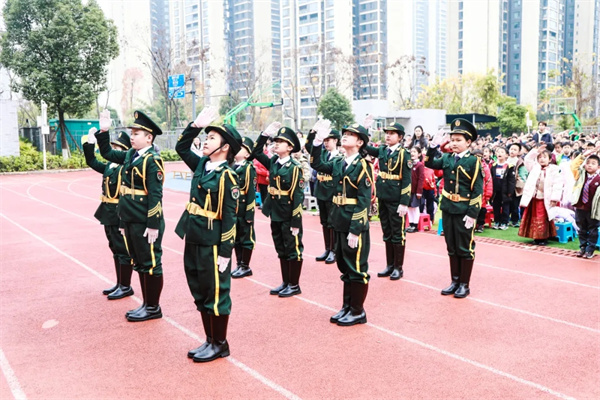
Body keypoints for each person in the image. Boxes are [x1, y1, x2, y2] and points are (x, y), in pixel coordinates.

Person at [174, 106, 240, 363]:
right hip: (193, 236)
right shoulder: (202, 165)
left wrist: (225, 252)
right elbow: (181, 148)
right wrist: (195, 127)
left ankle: (220, 343)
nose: (205, 141)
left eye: (212, 138)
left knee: (216, 292)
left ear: (225, 147)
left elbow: (230, 217)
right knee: (199, 290)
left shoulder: (227, 177)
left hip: (212, 242)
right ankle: (209, 339)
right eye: (206, 136)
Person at [95, 110, 166, 322]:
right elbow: (107, 153)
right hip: (130, 218)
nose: (132, 137)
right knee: (140, 262)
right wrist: (104, 131)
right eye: (132, 133)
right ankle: (146, 304)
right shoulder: (130, 155)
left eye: (136, 133)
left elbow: (155, 195)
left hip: (144, 220)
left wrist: (153, 224)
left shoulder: (152, 160)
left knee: (150, 263)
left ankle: (153, 307)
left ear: (149, 138)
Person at [308, 120, 374, 326]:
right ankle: (347, 307)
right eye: (344, 133)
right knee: (344, 266)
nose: (345, 136)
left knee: (357, 268)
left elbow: (363, 200)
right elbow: (317, 164)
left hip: (353, 223)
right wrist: (316, 142)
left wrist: (355, 229)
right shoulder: (338, 162)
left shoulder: (363, 166)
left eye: (350, 135)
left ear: (360, 143)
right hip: (339, 220)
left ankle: (358, 311)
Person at [425, 119, 484, 299]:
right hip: (448, 208)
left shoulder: (473, 161)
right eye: (452, 140)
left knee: (464, 247)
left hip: (464, 210)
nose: (454, 143)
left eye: (458, 140)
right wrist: (432, 147)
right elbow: (429, 163)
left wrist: (472, 214)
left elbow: (478, 190)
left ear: (468, 142)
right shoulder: (447, 158)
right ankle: (455, 281)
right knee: (451, 246)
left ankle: (464, 284)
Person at [252, 123, 305, 298]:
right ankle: (285, 282)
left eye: (280, 142)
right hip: (275, 212)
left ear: (290, 147)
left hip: (289, 213)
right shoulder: (274, 162)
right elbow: (256, 152)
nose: (276, 144)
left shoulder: (295, 167)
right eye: (275, 141)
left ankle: (294, 284)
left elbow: (298, 195)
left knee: (293, 248)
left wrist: (296, 221)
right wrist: (264, 135)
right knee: (281, 248)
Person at [84, 129, 134, 299]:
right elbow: (91, 161)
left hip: (119, 213)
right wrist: (90, 144)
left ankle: (126, 286)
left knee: (123, 250)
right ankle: (120, 283)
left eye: (118, 148)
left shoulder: (125, 168)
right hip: (107, 212)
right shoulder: (110, 167)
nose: (114, 150)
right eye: (113, 147)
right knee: (114, 248)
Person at [363, 121, 412, 281]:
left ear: (400, 137)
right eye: (387, 133)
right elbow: (364, 147)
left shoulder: (404, 154)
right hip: (383, 197)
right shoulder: (383, 150)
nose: (388, 136)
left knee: (398, 234)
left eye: (392, 133)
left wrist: (404, 202)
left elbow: (407, 179)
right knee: (387, 232)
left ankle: (398, 267)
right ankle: (389, 265)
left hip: (396, 199)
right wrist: (363, 130)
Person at [305, 126, 342, 264]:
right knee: (324, 221)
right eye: (324, 140)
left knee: (333, 222)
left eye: (328, 140)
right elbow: (309, 147)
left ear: (336, 141)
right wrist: (313, 133)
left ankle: (334, 250)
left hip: (332, 192)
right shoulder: (323, 154)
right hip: (321, 190)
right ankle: (327, 248)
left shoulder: (340, 157)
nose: (326, 143)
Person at [518, 144, 563, 245]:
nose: (542, 159)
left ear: (550, 159)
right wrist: (535, 151)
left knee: (542, 218)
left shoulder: (554, 170)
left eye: (544, 157)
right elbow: (527, 159)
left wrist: (555, 198)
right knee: (533, 217)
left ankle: (543, 237)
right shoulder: (534, 167)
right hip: (534, 197)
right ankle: (535, 236)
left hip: (545, 198)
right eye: (540, 157)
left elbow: (558, 185)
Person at [231, 137, 257, 279]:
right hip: (234, 208)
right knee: (236, 238)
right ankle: (239, 264)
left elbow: (251, 192)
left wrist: (249, 213)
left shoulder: (248, 168)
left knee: (246, 237)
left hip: (243, 208)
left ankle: (245, 266)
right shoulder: (233, 166)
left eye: (241, 148)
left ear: (247, 154)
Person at [570, 148, 600, 259]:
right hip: (580, 207)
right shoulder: (581, 175)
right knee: (581, 229)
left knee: (592, 230)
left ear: (598, 167)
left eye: (593, 163)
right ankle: (582, 247)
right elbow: (573, 166)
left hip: (593, 209)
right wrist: (583, 156)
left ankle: (590, 249)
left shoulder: (599, 179)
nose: (589, 165)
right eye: (588, 163)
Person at [490, 147, 516, 230]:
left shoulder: (509, 166)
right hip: (496, 191)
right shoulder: (493, 166)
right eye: (498, 152)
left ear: (507, 155)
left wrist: (510, 192)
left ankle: (504, 222)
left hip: (505, 191)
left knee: (505, 207)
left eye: (502, 152)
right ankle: (497, 222)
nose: (499, 153)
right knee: (496, 207)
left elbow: (511, 181)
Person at [472, 149, 493, 233]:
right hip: (471, 192)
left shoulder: (485, 167)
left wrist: (488, 194)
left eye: (480, 156)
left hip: (482, 193)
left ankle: (480, 225)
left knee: (482, 210)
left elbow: (489, 181)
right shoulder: (469, 166)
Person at [406, 146, 424, 233]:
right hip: (409, 189)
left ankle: (415, 225)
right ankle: (410, 224)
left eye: (414, 152)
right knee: (409, 207)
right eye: (411, 151)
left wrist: (419, 191)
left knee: (415, 207)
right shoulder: (409, 163)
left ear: (419, 154)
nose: (412, 153)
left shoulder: (419, 165)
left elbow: (421, 178)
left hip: (416, 190)